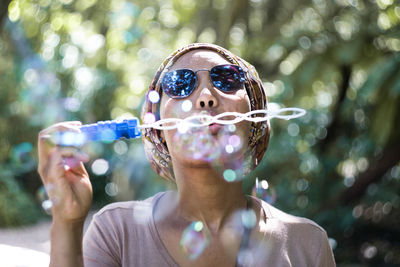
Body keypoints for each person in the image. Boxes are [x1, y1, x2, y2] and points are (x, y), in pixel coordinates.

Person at [37, 43, 336, 266]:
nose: (206, 97)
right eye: (180, 84)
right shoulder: (117, 232)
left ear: (255, 121)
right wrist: (67, 223)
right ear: (157, 129)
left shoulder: (308, 244)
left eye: (226, 79)